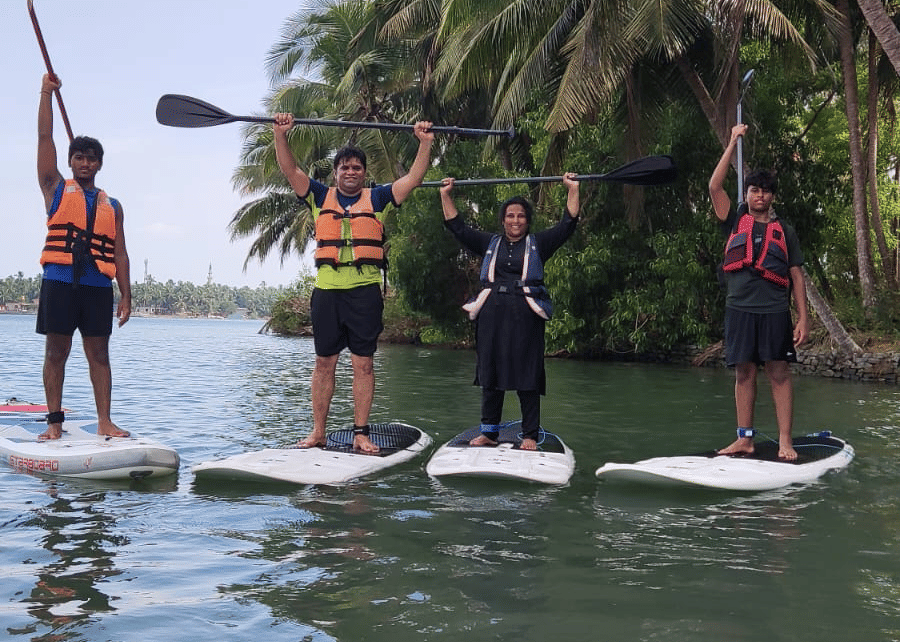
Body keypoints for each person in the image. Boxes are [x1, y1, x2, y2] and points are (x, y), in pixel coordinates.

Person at [273, 113, 434, 453]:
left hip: (364, 293)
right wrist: (281, 134)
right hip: (328, 293)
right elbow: (291, 170)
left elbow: (415, 177)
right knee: (324, 362)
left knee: (363, 363)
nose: (350, 172)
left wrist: (425, 143)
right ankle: (318, 432)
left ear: (364, 172)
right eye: (344, 167)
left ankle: (361, 432)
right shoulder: (318, 196)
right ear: (335, 173)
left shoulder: (378, 198)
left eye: (356, 168)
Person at [439, 173, 580, 450]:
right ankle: (489, 432)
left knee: (528, 374)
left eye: (521, 217)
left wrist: (572, 189)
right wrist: (446, 194)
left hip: (526, 314)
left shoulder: (539, 243)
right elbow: (458, 227)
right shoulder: (490, 243)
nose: (515, 221)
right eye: (510, 216)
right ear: (503, 220)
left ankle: (529, 435)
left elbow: (567, 224)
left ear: (527, 221)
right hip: (492, 314)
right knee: (490, 372)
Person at [36, 73, 132, 441]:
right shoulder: (55, 189)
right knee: (56, 351)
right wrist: (46, 93)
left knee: (100, 355)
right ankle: (54, 423)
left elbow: (120, 252)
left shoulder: (114, 205)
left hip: (96, 286)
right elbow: (44, 138)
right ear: (71, 161)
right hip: (59, 282)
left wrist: (125, 294)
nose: (85, 163)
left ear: (99, 164)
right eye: (79, 157)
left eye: (92, 159)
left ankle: (105, 421)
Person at [708, 123, 809, 461]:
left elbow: (796, 275)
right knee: (744, 373)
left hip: (774, 311)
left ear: (772, 197)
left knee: (779, 373)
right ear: (747, 194)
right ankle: (744, 439)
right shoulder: (734, 220)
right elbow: (714, 185)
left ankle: (784, 441)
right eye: (754, 190)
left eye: (765, 191)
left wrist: (804, 319)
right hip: (739, 309)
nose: (759, 196)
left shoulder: (785, 231)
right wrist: (733, 139)